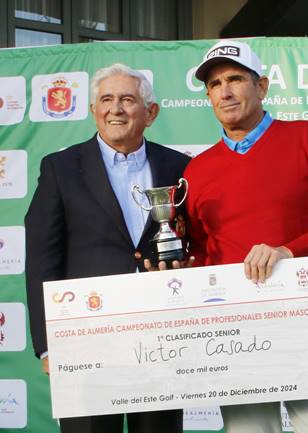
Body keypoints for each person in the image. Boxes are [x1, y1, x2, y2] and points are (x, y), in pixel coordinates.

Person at [183, 40, 308, 433]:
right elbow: (199, 254)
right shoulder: (197, 171)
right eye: (214, 84)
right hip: (234, 332)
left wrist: (288, 250)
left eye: (235, 79)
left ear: (262, 87)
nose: (225, 91)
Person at [24, 63, 190, 433]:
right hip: (86, 341)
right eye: (107, 99)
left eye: (128, 99)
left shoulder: (179, 166)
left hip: (161, 339)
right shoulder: (61, 168)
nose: (116, 109)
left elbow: (192, 241)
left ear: (150, 113)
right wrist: (49, 344)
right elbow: (41, 258)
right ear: (93, 110)